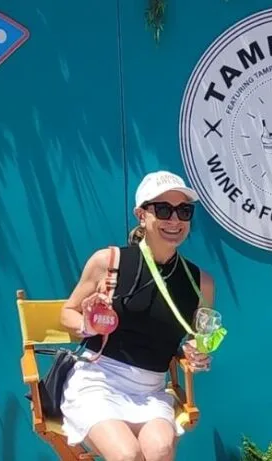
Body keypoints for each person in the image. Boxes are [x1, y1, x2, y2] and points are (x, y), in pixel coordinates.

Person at [59, 171, 215, 461]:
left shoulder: (200, 282)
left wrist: (197, 353)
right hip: (98, 381)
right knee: (128, 456)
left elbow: (199, 340)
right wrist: (87, 324)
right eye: (163, 209)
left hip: (152, 389)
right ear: (141, 215)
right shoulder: (109, 262)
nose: (175, 220)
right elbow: (66, 312)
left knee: (160, 451)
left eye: (184, 211)